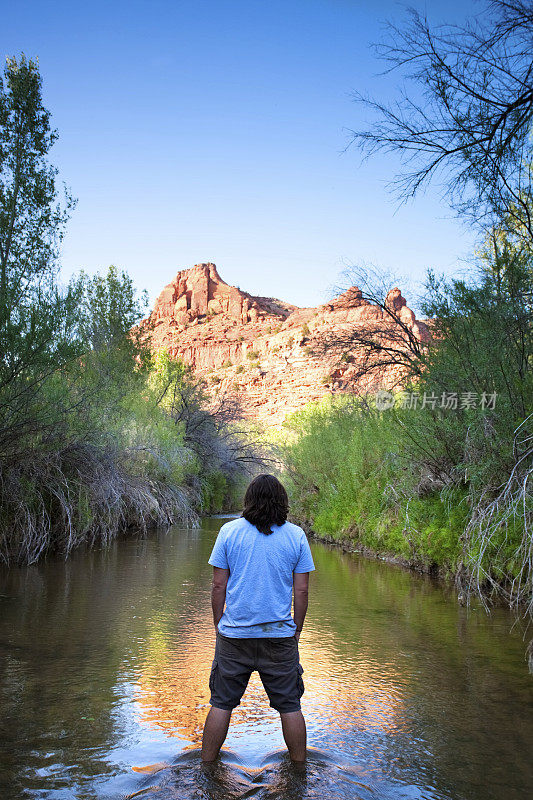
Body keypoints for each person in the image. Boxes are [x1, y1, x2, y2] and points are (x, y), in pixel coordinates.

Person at [201, 473, 315, 763]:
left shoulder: (229, 532)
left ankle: (206, 768)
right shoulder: (296, 535)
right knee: (290, 706)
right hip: (280, 637)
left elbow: (218, 586)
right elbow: (301, 591)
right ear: (283, 502)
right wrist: (297, 630)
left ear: (248, 500)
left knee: (221, 704)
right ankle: (299, 771)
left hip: (234, 636)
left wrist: (218, 625)